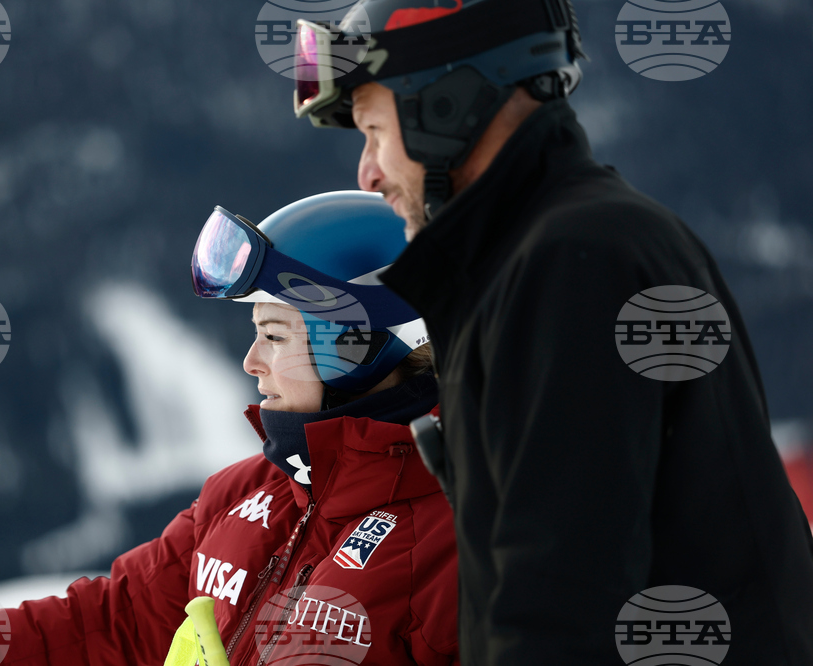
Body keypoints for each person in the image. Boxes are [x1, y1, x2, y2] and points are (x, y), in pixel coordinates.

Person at [291, 0, 813, 663]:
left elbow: (557, 600)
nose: (367, 172)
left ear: (443, 106)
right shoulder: (559, 249)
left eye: (372, 129)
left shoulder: (569, 267)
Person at [0, 191, 457, 666]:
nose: (250, 362)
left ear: (356, 343)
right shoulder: (242, 495)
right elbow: (120, 619)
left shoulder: (456, 535)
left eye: (272, 334)